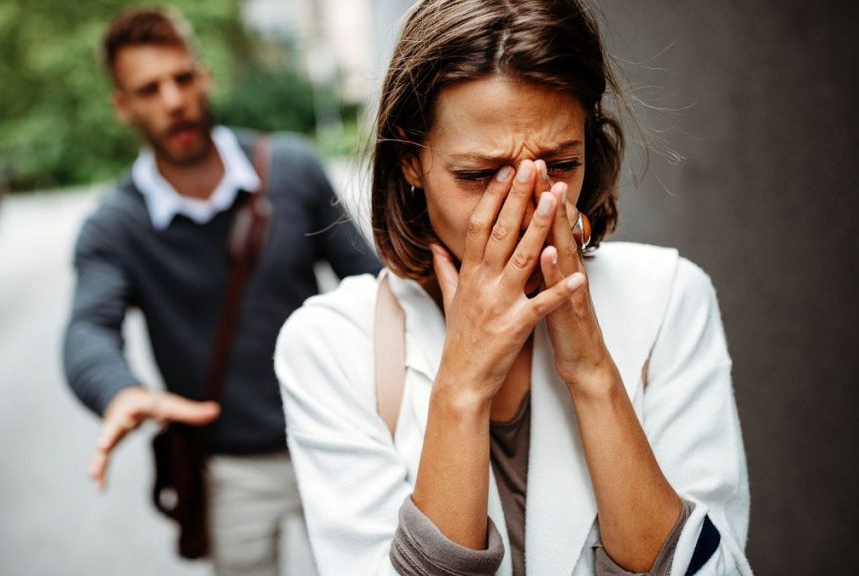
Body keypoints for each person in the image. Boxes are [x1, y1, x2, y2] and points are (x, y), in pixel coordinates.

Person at [274, 1, 752, 575]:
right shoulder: (330, 345)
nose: (525, 207)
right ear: (408, 160)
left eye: (560, 164)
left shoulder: (671, 296)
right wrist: (464, 385)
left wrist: (594, 374)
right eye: (477, 175)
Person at [62, 7, 380, 575]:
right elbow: (88, 327)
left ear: (204, 77)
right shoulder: (115, 226)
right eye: (149, 89)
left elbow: (373, 284)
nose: (173, 100)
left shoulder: (293, 170)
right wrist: (120, 392)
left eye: (182, 78)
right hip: (227, 470)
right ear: (123, 107)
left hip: (338, 440)